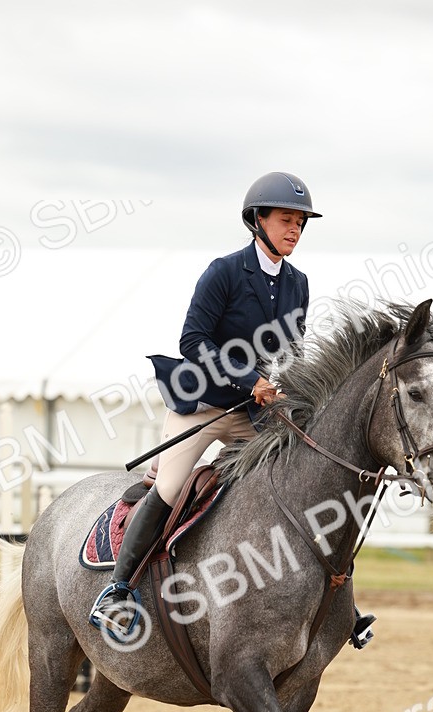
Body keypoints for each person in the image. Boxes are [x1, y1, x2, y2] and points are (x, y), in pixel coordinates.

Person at [89, 172, 375, 649]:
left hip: (253, 413)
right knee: (170, 486)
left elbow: (293, 351)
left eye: (300, 223)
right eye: (286, 220)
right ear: (257, 220)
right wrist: (249, 379)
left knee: (307, 481)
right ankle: (117, 589)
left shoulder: (298, 284)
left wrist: (295, 389)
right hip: (202, 404)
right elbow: (193, 340)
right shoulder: (223, 272)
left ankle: (342, 603)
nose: (295, 229)